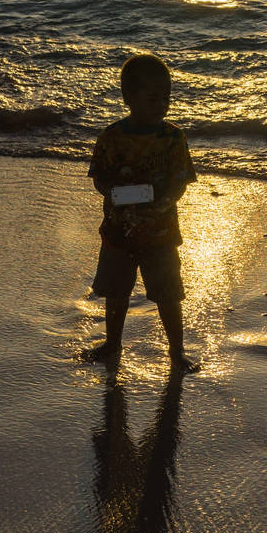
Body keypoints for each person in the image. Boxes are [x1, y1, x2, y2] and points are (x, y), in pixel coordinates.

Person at [81, 53, 199, 371]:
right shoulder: (112, 137)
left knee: (168, 294)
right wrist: (116, 194)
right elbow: (100, 179)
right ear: (129, 98)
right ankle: (112, 344)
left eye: (166, 97)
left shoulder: (174, 138)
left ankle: (176, 353)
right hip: (119, 231)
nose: (162, 104)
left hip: (161, 233)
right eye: (153, 98)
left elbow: (181, 180)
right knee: (116, 292)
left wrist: (165, 200)